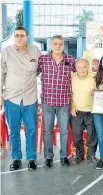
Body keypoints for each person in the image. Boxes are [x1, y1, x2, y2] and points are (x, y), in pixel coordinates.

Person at [0, 26, 41, 171]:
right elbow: (1, 73)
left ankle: (31, 158)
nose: (19, 38)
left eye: (22, 35)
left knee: (31, 129)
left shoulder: (35, 51)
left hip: (30, 97)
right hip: (11, 98)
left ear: (27, 37)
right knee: (13, 130)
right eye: (16, 35)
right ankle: (16, 158)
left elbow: (40, 69)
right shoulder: (6, 52)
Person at [38, 35, 75, 168]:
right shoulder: (42, 60)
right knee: (47, 131)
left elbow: (77, 78)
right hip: (48, 101)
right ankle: (48, 157)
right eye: (55, 43)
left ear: (63, 45)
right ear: (51, 45)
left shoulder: (70, 60)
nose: (58, 46)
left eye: (60, 43)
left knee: (64, 131)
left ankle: (64, 156)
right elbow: (32, 73)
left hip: (64, 102)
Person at [70, 58, 98, 164]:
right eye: (79, 67)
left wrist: (96, 93)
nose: (82, 69)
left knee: (92, 135)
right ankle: (79, 155)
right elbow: (69, 94)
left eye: (84, 67)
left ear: (88, 67)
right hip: (76, 111)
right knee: (77, 135)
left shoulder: (94, 77)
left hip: (91, 111)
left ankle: (91, 155)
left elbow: (100, 92)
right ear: (76, 68)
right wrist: (72, 107)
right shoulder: (71, 77)